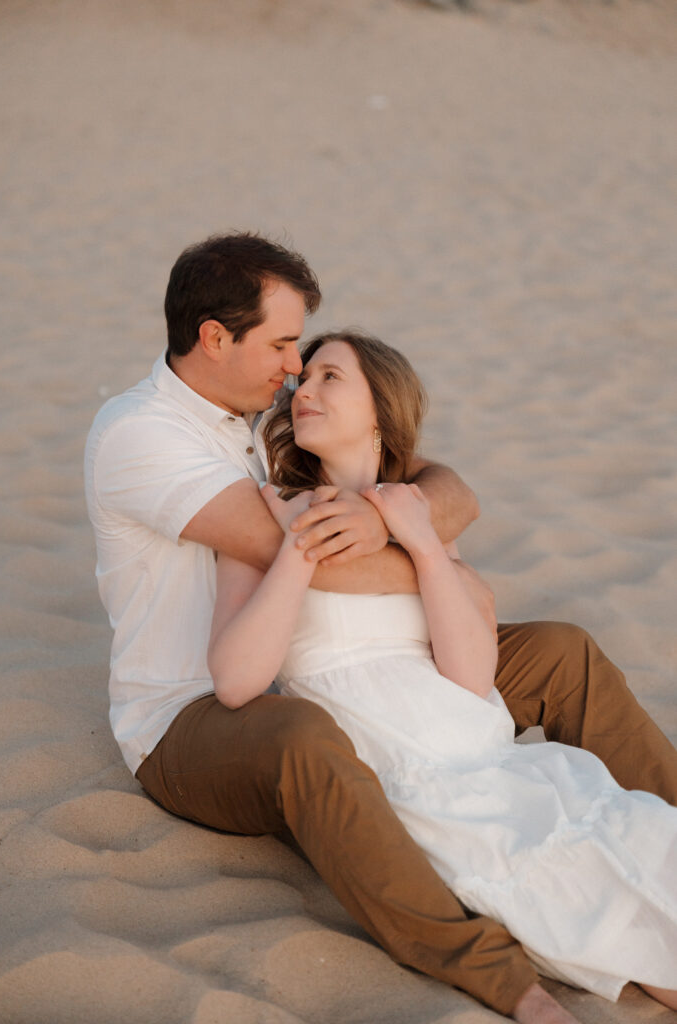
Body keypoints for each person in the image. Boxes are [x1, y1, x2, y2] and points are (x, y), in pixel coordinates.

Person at [84, 233, 677, 1023]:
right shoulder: (143, 433)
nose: (293, 371)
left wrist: (406, 524)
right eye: (284, 346)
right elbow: (307, 557)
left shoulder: (266, 422)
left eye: (309, 360)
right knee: (307, 737)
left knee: (559, 650)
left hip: (375, 670)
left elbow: (439, 483)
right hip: (190, 714)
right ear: (215, 338)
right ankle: (499, 978)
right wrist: (439, 565)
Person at [208, 328, 677, 1016]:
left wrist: (425, 544)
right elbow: (235, 681)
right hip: (401, 770)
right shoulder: (267, 512)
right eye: (304, 379)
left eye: (331, 377)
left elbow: (469, 678)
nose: (303, 390)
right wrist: (301, 543)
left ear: (379, 411)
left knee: (635, 845)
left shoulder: (414, 511)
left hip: (474, 745)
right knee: (585, 899)